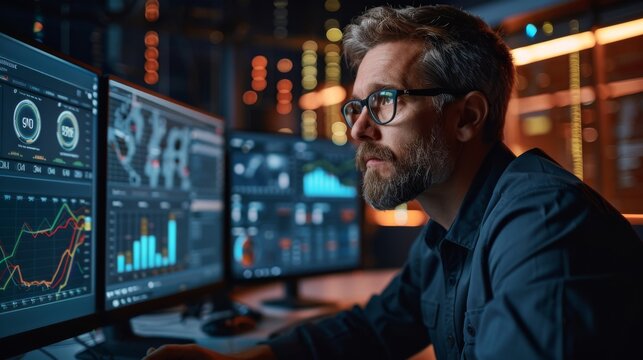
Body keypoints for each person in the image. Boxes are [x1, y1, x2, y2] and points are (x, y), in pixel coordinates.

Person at [144, 4, 643, 360]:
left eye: (384, 102)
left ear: (466, 116)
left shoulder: (543, 226)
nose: (359, 129)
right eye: (356, 107)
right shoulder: (448, 228)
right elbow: (375, 329)